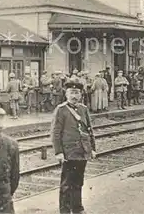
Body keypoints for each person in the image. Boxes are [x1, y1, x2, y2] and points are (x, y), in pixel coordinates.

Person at [51, 79, 97, 214]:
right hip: (68, 152)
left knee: (79, 181)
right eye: (71, 93)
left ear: (81, 94)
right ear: (66, 94)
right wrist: (58, 151)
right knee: (66, 184)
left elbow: (89, 129)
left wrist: (93, 148)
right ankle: (64, 210)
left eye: (77, 93)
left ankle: (77, 208)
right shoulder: (61, 110)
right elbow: (55, 133)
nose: (74, 96)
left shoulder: (83, 109)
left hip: (82, 151)